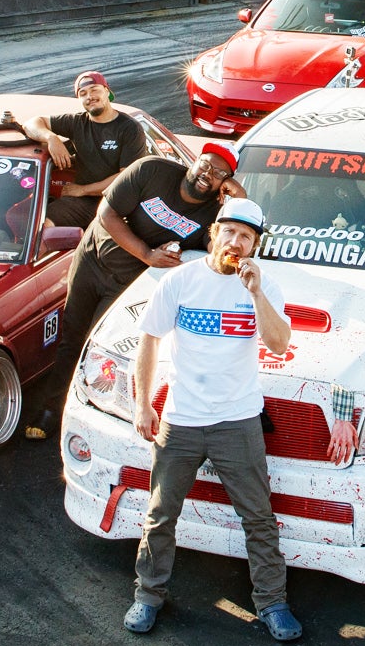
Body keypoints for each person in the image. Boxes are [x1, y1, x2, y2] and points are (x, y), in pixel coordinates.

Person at [122, 197, 300, 641]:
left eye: (246, 237)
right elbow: (149, 340)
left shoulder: (263, 286)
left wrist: (255, 292)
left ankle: (273, 603)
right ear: (213, 233)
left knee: (258, 516)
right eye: (229, 232)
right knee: (161, 514)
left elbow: (279, 344)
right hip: (181, 418)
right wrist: (144, 404)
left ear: (255, 246)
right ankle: (147, 596)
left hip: (238, 420)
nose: (235, 243)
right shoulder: (180, 281)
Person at [32, 147, 244, 435]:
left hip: (128, 282)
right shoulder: (151, 170)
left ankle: (90, 417)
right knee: (71, 334)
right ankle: (51, 408)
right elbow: (106, 213)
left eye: (220, 173)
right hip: (94, 258)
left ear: (226, 182)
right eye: (206, 164)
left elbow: (221, 254)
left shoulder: (214, 215)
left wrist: (240, 202)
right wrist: (146, 253)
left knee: (98, 346)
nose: (208, 174)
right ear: (194, 161)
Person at [23, 70, 148, 228]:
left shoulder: (129, 128)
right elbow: (31, 123)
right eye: (83, 93)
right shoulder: (77, 123)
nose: (89, 96)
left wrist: (83, 190)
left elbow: (126, 177)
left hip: (117, 201)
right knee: (41, 226)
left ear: (107, 91)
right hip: (82, 201)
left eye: (95, 90)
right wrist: (51, 138)